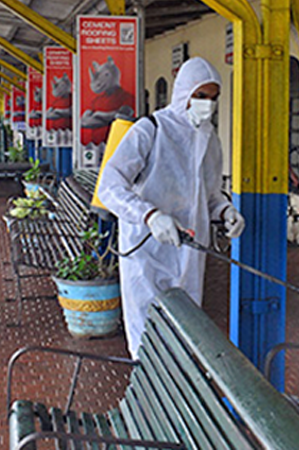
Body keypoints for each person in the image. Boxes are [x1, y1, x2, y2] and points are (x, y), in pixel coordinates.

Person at [98, 57, 245, 358]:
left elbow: (209, 195)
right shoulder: (150, 129)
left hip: (191, 251)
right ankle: (148, 397)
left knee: (185, 332)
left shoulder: (210, 139)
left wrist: (225, 211)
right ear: (184, 93)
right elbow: (110, 187)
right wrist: (149, 216)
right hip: (146, 251)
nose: (208, 104)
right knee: (146, 335)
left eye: (214, 98)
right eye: (201, 96)